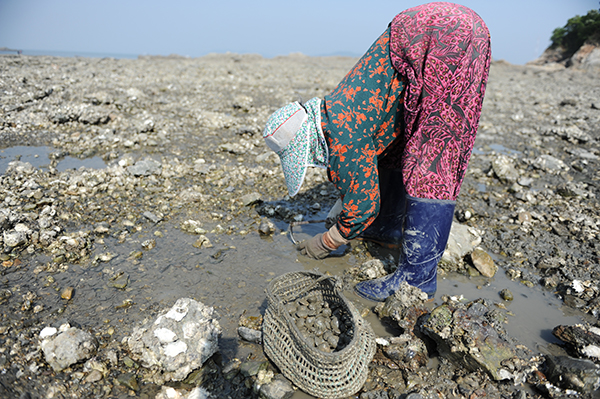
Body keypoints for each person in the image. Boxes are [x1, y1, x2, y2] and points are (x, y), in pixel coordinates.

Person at [262, 2, 491, 301]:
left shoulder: (341, 134)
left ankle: (416, 280)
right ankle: (388, 228)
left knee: (435, 149)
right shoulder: (339, 106)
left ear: (307, 143)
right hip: (435, 29)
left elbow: (362, 206)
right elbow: (379, 140)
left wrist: (327, 240)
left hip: (441, 37)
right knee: (396, 146)